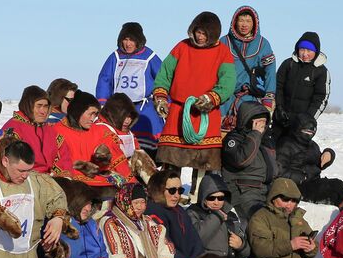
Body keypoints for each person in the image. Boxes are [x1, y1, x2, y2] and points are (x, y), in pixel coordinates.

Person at [152, 11, 235, 188]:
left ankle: (199, 196)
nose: (200, 36)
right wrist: (160, 96)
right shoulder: (181, 47)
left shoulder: (223, 52)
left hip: (206, 111)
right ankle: (169, 193)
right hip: (179, 111)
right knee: (172, 158)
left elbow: (228, 82)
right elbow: (164, 74)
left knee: (204, 162)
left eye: (205, 33)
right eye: (198, 31)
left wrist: (212, 98)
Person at [96, 22, 164, 153]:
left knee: (147, 139)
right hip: (119, 108)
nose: (128, 44)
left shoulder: (149, 56)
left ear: (138, 41)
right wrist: (102, 102)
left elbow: (163, 79)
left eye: (131, 40)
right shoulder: (115, 57)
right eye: (125, 39)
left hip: (143, 107)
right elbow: (104, 79)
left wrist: (164, 100)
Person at [54, 91, 132, 191]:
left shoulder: (101, 131)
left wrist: (132, 183)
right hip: (73, 183)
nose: (93, 118)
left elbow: (119, 161)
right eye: (90, 114)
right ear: (78, 111)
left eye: (95, 115)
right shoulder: (56, 131)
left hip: (102, 181)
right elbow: (58, 166)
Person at [273, 113, 343, 208]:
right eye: (306, 131)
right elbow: (278, 170)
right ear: (297, 128)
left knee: (338, 185)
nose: (309, 134)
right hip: (295, 186)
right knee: (331, 192)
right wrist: (302, 177)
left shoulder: (313, 145)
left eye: (311, 132)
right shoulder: (286, 144)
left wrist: (329, 153)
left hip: (313, 181)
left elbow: (320, 164)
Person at [220, 103, 279, 218]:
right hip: (243, 189)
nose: (262, 126)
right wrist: (255, 134)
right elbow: (241, 160)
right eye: (258, 122)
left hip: (266, 189)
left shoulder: (266, 141)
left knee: (287, 216)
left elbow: (275, 165)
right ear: (247, 120)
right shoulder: (234, 139)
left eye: (264, 122)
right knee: (263, 218)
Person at [220, 5, 277, 123]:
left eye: (248, 21)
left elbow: (270, 72)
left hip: (251, 98)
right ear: (235, 22)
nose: (244, 24)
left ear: (254, 24)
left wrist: (268, 98)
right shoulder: (224, 42)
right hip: (225, 99)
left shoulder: (263, 44)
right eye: (241, 20)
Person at [271, 32, 330, 142]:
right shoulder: (288, 64)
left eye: (309, 51)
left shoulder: (321, 71)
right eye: (302, 49)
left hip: (301, 124)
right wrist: (279, 107)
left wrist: (308, 118)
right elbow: (277, 86)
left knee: (294, 153)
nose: (305, 53)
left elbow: (321, 98)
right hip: (281, 119)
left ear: (316, 52)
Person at [146, 168, 204, 258]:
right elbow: (165, 245)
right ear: (158, 190)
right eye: (172, 190)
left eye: (180, 191)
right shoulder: (153, 212)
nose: (177, 195)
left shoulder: (178, 210)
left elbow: (195, 241)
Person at [187, 173, 248, 258]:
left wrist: (241, 245)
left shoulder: (230, 214)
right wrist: (217, 217)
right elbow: (196, 240)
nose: (216, 202)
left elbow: (246, 252)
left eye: (220, 198)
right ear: (203, 197)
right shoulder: (193, 213)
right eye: (211, 198)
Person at [2, 85, 61, 175]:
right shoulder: (13, 129)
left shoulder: (50, 130)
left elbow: (64, 157)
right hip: (26, 179)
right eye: (39, 106)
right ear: (28, 106)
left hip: (51, 180)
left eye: (45, 106)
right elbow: (9, 162)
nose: (43, 111)